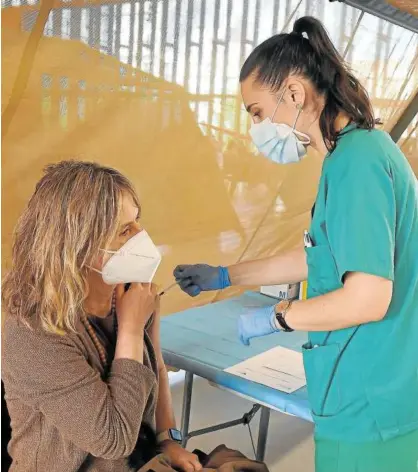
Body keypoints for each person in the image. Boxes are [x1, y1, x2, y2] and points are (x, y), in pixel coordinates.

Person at [173, 16, 418, 472]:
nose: (256, 129)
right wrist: (226, 275)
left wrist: (277, 317)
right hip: (371, 388)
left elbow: (367, 298)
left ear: (294, 94)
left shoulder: (358, 162)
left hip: (370, 401)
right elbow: (318, 258)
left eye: (257, 112)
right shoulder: (352, 155)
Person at [2, 161, 202, 472]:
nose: (141, 237)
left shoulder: (135, 293)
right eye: (125, 230)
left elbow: (158, 368)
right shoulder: (32, 331)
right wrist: (131, 330)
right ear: (76, 247)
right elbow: (113, 439)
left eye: (137, 221)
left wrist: (168, 439)